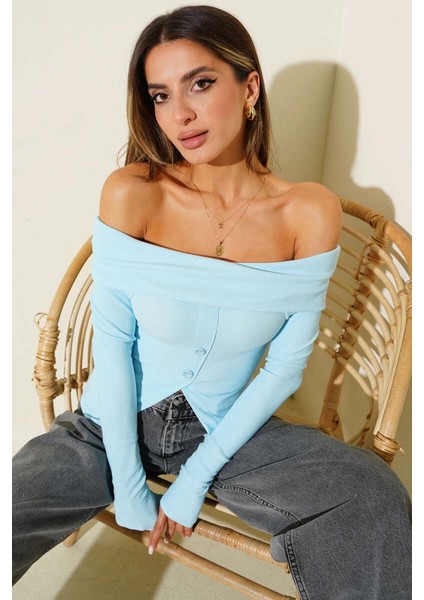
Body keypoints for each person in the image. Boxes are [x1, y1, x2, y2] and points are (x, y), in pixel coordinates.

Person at [13, 5, 411, 599]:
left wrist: (194, 478)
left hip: (228, 431)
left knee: (372, 496)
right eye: (161, 95)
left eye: (200, 83)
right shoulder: (134, 193)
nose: (181, 114)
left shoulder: (308, 211)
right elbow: (114, 351)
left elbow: (284, 369)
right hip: (104, 426)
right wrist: (130, 487)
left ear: (249, 89)